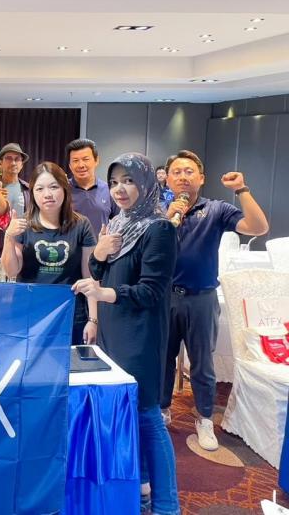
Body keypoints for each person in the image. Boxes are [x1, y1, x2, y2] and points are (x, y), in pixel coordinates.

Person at [72, 152, 179, 515]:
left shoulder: (159, 229)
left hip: (140, 336)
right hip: (112, 333)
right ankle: (142, 493)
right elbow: (100, 270)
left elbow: (151, 291)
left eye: (129, 180)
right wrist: (99, 254)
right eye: (115, 181)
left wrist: (104, 294)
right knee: (127, 415)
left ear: (146, 184)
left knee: (148, 417)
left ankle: (167, 506)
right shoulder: (119, 223)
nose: (120, 189)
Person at [160, 150, 268, 451]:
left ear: (202, 178)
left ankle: (205, 418)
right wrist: (166, 220)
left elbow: (258, 228)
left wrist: (242, 190)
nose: (183, 177)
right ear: (167, 179)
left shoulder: (217, 210)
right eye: (177, 172)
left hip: (202, 299)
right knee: (162, 360)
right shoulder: (158, 211)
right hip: (165, 298)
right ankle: (162, 408)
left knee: (202, 364)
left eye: (189, 171)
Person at [2, 162, 97, 345]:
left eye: (54, 187)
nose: (47, 194)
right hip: (30, 314)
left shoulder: (81, 225)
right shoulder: (23, 224)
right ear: (32, 193)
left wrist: (93, 320)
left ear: (64, 189)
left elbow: (90, 276)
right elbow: (12, 271)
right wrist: (9, 237)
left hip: (70, 313)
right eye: (40, 189)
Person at [66, 138, 116, 236]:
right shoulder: (62, 190)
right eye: (75, 161)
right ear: (70, 165)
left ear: (96, 160)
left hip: (101, 245)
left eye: (86, 159)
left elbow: (120, 221)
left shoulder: (109, 190)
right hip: (69, 245)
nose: (81, 165)